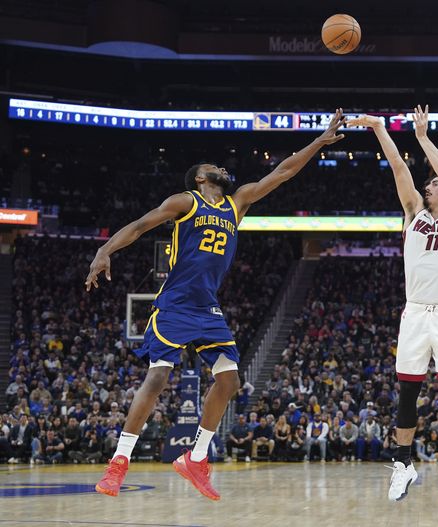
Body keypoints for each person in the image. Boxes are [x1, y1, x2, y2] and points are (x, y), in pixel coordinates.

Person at [86, 111, 346, 499]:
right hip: (175, 304)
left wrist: (319, 141)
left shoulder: (236, 203)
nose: (223, 168)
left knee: (230, 380)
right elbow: (141, 226)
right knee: (157, 377)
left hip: (207, 307)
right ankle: (119, 462)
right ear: (200, 178)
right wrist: (104, 250)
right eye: (214, 167)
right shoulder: (184, 201)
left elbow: (282, 173)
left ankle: (196, 458)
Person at [348, 105, 438, 504]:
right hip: (414, 312)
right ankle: (404, 463)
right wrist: (381, 130)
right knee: (406, 393)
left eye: (434, 183)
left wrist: (422, 138)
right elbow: (398, 168)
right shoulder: (413, 214)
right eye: (430, 182)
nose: (430, 185)